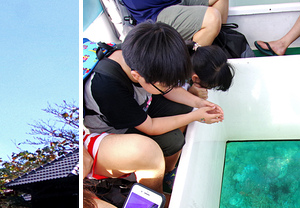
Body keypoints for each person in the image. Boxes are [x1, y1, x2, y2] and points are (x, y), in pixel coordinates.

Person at [84, 23, 224, 192]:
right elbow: (150, 127)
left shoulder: (139, 56)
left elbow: (167, 89)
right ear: (137, 76)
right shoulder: (107, 86)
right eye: (166, 85)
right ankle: (153, 186)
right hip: (113, 128)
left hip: (138, 106)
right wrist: (197, 116)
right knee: (173, 141)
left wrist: (198, 104)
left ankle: (166, 172)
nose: (171, 87)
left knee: (184, 106)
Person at [121, 0, 229, 47]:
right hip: (155, 14)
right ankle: (190, 71)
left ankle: (222, 45)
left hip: (173, 2)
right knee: (211, 18)